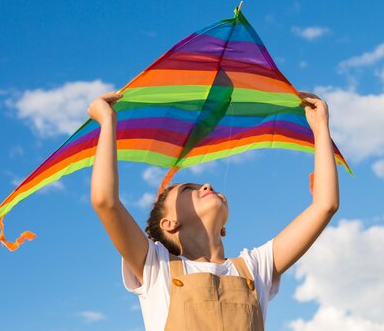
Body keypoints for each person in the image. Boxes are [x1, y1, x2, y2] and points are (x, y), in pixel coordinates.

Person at [87, 90, 340, 331]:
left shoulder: (254, 267)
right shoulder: (157, 266)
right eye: (189, 189)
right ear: (169, 223)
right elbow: (105, 201)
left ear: (224, 227)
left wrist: (320, 128)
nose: (207, 185)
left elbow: (325, 205)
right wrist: (108, 121)